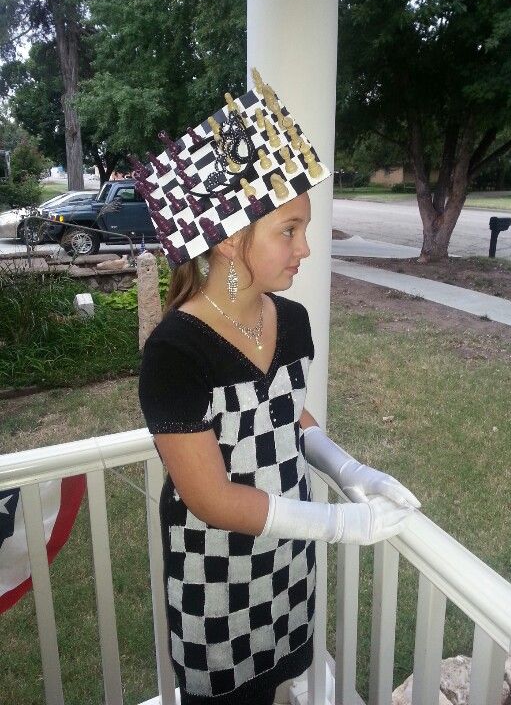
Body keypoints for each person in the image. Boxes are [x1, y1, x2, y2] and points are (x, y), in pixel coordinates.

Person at [138, 70, 420, 705]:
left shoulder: (289, 320)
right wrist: (340, 524)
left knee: (279, 686)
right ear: (236, 241)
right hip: (217, 575)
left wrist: (353, 471)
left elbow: (288, 417)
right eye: (288, 231)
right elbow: (209, 499)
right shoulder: (175, 352)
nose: (305, 248)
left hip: (288, 558)